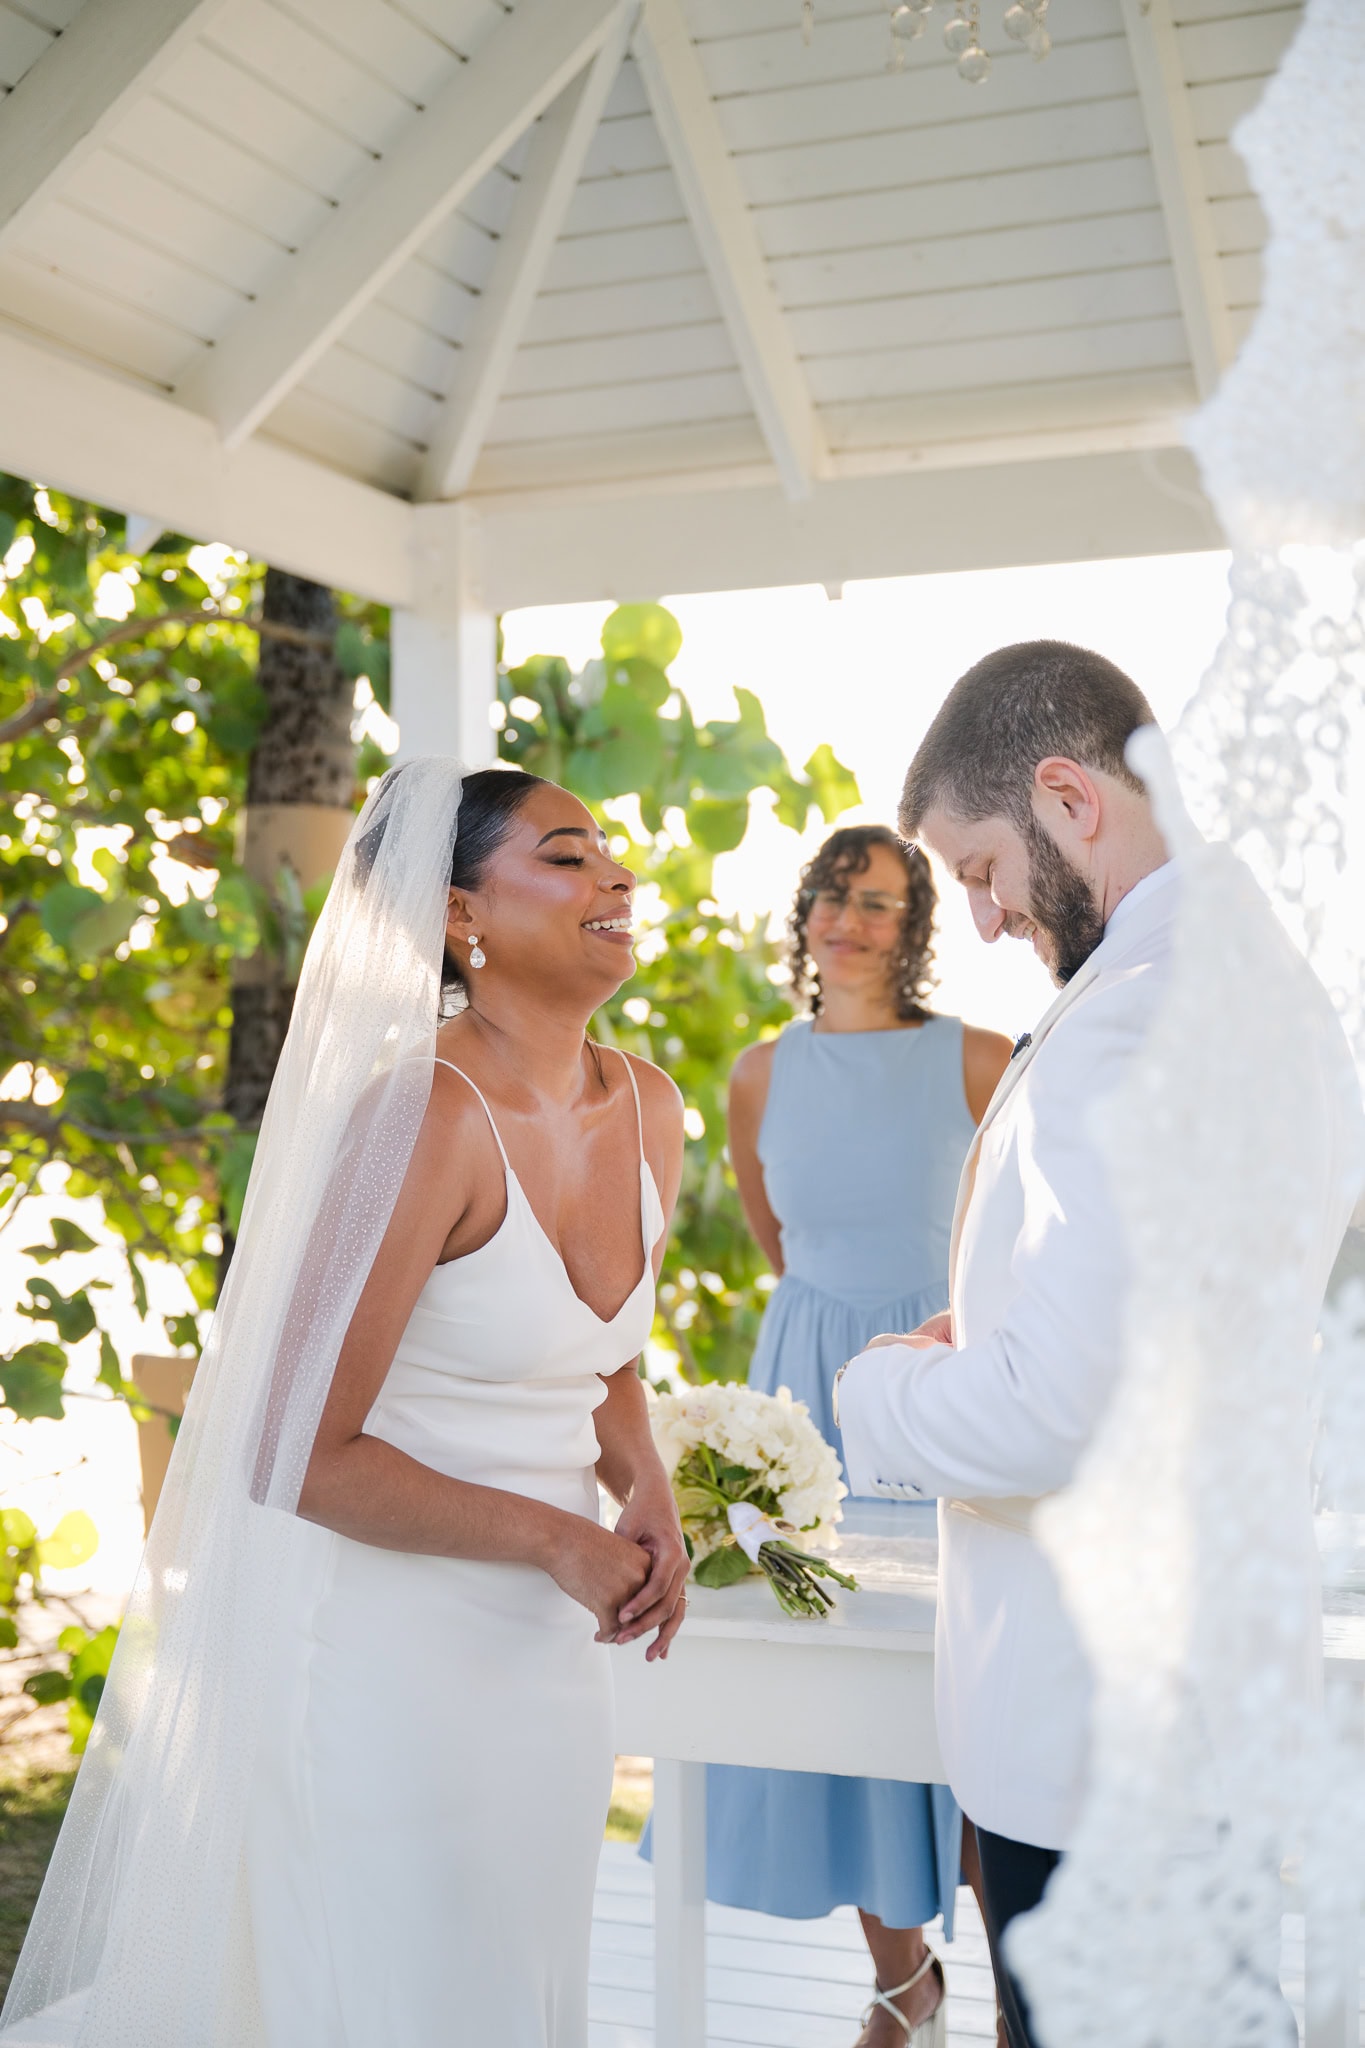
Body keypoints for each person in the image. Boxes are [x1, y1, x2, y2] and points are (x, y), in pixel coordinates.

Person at [2, 764, 690, 2048]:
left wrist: (641, 1480)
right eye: (565, 853)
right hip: (394, 1663)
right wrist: (556, 1536)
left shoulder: (650, 1105)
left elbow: (604, 1359)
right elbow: (296, 1452)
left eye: (609, 850)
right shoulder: (420, 1117)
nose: (617, 874)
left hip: (551, 1666)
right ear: (460, 915)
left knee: (525, 1978)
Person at [833, 642, 1361, 2048]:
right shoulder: (1267, 987)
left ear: (1068, 796)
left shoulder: (1136, 1016)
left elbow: (1052, 1422)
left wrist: (881, 1389)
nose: (991, 923)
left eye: (985, 872)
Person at [644, 824, 1011, 2048]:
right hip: (804, 1384)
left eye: (881, 902)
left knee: (970, 1677)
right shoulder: (757, 1071)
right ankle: (904, 1983)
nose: (850, 919)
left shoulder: (978, 1059)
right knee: (845, 1682)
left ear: (916, 929)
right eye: (833, 897)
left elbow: (1016, 1238)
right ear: (805, 914)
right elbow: (779, 1238)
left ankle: (1030, 1988)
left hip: (936, 1383)